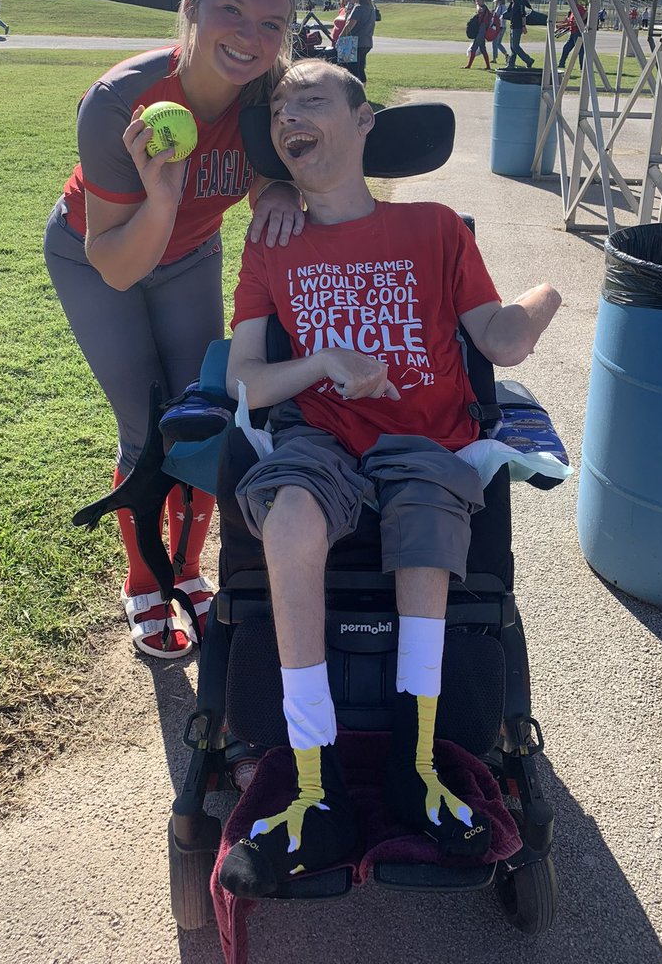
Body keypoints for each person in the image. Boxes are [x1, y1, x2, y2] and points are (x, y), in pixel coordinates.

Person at [219, 59, 561, 897]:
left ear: (365, 121)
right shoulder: (273, 244)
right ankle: (312, 779)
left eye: (311, 100)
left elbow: (499, 336)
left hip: (420, 436)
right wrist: (325, 361)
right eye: (277, 107)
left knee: (428, 517)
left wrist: (549, 292)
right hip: (322, 436)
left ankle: (418, 765)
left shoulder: (439, 230)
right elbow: (246, 382)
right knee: (289, 516)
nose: (290, 114)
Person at [43, 0, 304, 660]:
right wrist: (161, 199)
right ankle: (143, 580)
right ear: (190, 4)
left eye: (272, 23)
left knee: (199, 419)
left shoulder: (266, 96)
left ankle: (186, 574)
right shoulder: (121, 99)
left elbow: (271, 170)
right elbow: (117, 263)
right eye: (231, 9)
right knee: (144, 425)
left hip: (189, 255)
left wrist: (277, 186)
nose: (251, 37)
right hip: (98, 255)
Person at [339, 0, 376, 83]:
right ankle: (363, 90)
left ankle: (356, 92)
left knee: (353, 69)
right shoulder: (371, 9)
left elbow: (350, 25)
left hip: (355, 43)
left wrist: (341, 36)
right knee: (360, 68)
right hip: (367, 42)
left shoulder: (358, 8)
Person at [504, 0, 535, 70]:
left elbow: (523, 14)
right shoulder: (513, 1)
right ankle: (511, 64)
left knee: (515, 47)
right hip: (513, 26)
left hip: (518, 26)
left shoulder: (519, 1)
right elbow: (509, 12)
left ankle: (528, 60)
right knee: (512, 47)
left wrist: (524, 26)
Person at [464, 0, 494, 70]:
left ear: (482, 1)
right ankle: (488, 66)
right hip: (481, 31)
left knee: (474, 48)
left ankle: (469, 65)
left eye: (478, 1)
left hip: (482, 31)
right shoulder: (483, 8)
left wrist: (477, 5)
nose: (477, 2)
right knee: (483, 49)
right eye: (476, 1)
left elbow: (479, 9)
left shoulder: (483, 8)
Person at [558, 2, 587, 70]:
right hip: (573, 33)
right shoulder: (573, 10)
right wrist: (562, 25)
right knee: (566, 48)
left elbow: (576, 22)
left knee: (580, 50)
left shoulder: (579, 8)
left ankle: (582, 67)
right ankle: (561, 64)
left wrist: (563, 25)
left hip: (578, 32)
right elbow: (570, 20)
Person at [491, 0, 509, 65]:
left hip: (498, 27)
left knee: (494, 43)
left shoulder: (499, 7)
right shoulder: (505, 7)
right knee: (498, 43)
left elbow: (496, 16)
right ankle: (506, 55)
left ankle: (494, 58)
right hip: (503, 27)